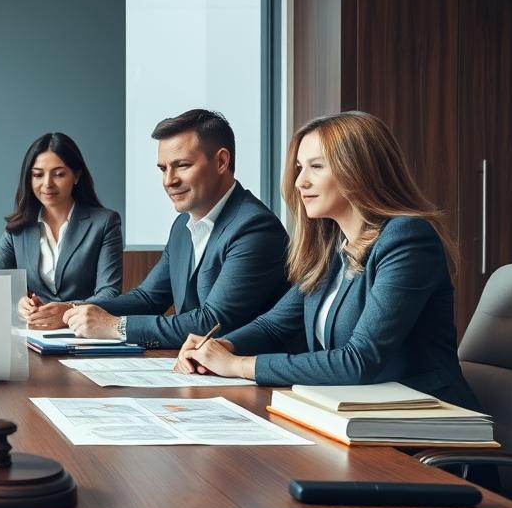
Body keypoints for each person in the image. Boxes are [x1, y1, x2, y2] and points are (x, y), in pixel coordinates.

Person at [173, 111, 479, 409]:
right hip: (358, 410)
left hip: (426, 418)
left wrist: (238, 365)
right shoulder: (332, 249)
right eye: (299, 167)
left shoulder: (407, 238)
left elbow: (360, 360)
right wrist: (222, 345)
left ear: (359, 171)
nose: (300, 182)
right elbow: (274, 325)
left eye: (316, 167)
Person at [64, 110, 289, 348]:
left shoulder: (255, 228)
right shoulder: (183, 225)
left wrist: (116, 326)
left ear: (221, 162)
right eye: (163, 169)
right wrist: (73, 309)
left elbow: (213, 323)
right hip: (194, 364)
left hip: (244, 368)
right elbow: (148, 298)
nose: (169, 180)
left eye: (182, 165)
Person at [0, 133, 122, 329]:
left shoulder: (105, 223)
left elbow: (109, 293)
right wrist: (18, 302)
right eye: (38, 175)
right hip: (34, 334)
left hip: (84, 333)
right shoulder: (18, 229)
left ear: (76, 176)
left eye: (59, 174)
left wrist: (69, 310)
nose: (47, 184)